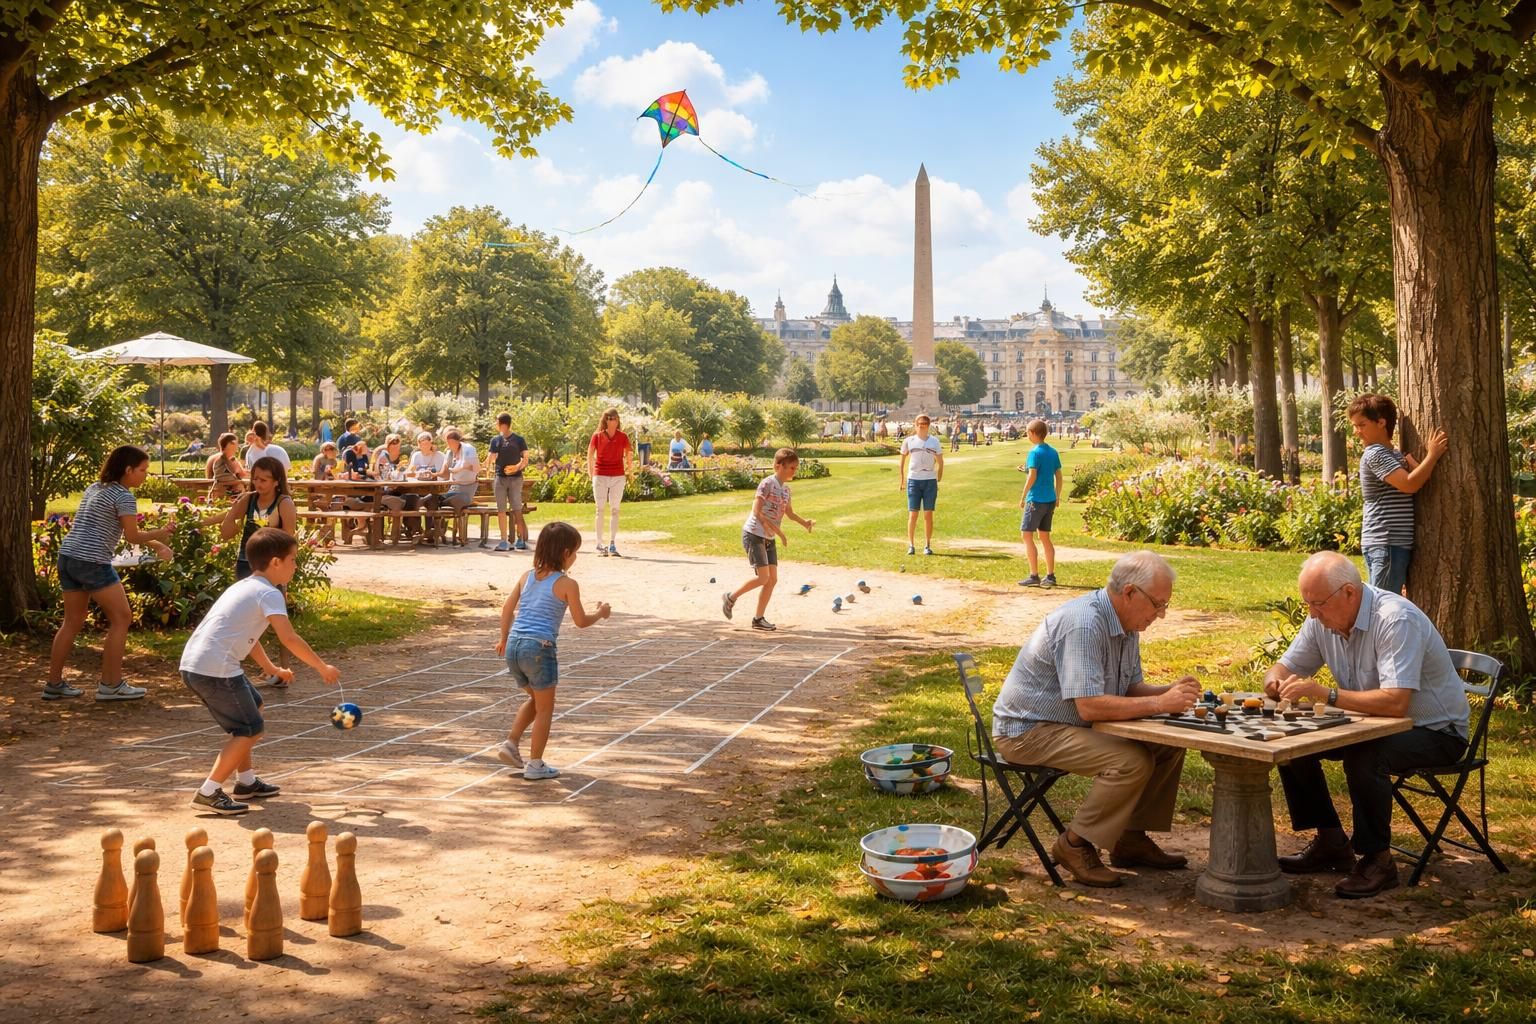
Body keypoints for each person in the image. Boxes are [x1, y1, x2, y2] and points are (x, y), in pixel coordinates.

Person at [1263, 551, 1470, 899]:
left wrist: (1326, 695)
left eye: (1318, 604)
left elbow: (1395, 703)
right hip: (1370, 723)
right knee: (1292, 742)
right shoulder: (1322, 618)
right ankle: (1331, 841)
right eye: (1307, 604)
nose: (1312, 613)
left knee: (1366, 754)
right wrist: (1275, 682)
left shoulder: (1395, 619)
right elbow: (1283, 667)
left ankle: (1378, 861)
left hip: (1436, 732)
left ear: (1349, 592)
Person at [991, 551, 1199, 888]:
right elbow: (1089, 707)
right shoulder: (1084, 624)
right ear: (1129, 592)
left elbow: (1129, 688)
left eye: (1165, 605)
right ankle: (1074, 845)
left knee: (1167, 745)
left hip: (1065, 724)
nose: (1160, 614)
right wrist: (1160, 703)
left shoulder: (1126, 624)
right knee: (1130, 761)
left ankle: (1129, 838)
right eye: (1158, 604)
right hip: (1028, 731)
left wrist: (1170, 692)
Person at [179, 528, 341, 814]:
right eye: (293, 559)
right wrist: (321, 666)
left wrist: (272, 668)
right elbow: (288, 638)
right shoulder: (269, 593)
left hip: (198, 664)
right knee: (249, 729)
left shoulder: (243, 587)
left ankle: (246, 782)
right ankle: (208, 791)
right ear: (276, 562)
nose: (295, 566)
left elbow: (248, 637)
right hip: (216, 669)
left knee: (254, 706)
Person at [43, 445, 176, 702]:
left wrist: (156, 544)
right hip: (92, 561)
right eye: (143, 470)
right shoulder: (124, 496)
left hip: (68, 556)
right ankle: (111, 685)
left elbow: (119, 530)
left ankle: (54, 684)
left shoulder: (95, 488)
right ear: (128, 470)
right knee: (122, 618)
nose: (146, 475)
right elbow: (132, 536)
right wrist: (163, 533)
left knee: (72, 622)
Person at [492, 521, 611, 781]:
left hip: (514, 646)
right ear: (566, 553)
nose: (576, 557)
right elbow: (580, 621)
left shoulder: (526, 576)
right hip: (539, 648)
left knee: (537, 701)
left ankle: (511, 743)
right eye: (575, 552)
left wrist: (503, 638)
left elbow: (507, 609)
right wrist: (601, 613)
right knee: (546, 708)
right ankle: (535, 764)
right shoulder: (567, 583)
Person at [1346, 394, 1448, 596]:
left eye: (1361, 425)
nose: (1356, 432)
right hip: (1386, 541)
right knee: (1382, 603)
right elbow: (1409, 484)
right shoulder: (1375, 453)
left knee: (1382, 601)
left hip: (1389, 543)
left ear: (1381, 422)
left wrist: (1410, 460)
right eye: (1355, 426)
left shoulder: (1390, 453)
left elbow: (1420, 479)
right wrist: (1432, 455)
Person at [219, 456, 298, 685]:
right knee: (246, 619)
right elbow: (226, 530)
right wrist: (232, 520)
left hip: (273, 568)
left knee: (278, 620)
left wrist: (282, 562)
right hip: (246, 563)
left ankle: (283, 667)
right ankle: (266, 669)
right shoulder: (248, 499)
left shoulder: (284, 503)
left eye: (264, 479)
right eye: (255, 478)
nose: (258, 484)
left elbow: (289, 538)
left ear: (276, 481)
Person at [721, 448, 816, 632]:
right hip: (754, 534)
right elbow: (756, 510)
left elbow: (789, 513)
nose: (794, 471)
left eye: (795, 467)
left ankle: (758, 619)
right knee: (763, 577)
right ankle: (730, 597)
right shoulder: (767, 484)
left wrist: (805, 523)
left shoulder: (786, 490)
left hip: (768, 537)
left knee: (772, 580)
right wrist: (775, 530)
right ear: (779, 466)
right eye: (791, 467)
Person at [1018, 418, 1064, 588]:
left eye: (1028, 433)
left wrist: (1023, 496)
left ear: (1033, 433)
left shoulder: (1034, 452)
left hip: (1036, 499)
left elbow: (1032, 476)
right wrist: (1057, 495)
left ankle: (1034, 575)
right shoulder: (1053, 452)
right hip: (1050, 498)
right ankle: (1050, 575)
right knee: (1045, 537)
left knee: (1026, 535)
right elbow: (1058, 475)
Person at [587, 408, 632, 558]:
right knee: (599, 509)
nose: (613, 421)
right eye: (610, 418)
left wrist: (630, 470)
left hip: (618, 475)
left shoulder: (623, 436)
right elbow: (590, 454)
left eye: (616, 418)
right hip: (600, 474)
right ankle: (599, 543)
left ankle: (612, 542)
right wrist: (590, 472)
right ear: (605, 420)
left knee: (615, 509)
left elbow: (628, 453)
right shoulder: (597, 436)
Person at [898, 413, 944, 556]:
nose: (922, 427)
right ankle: (911, 545)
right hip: (914, 480)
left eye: (924, 424)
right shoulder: (909, 441)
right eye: (919, 424)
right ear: (915, 425)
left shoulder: (934, 441)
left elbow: (940, 461)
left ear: (928, 426)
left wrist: (939, 476)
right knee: (913, 514)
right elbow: (902, 461)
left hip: (929, 480)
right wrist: (902, 479)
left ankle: (927, 545)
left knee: (928, 514)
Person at [489, 413, 530, 552]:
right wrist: (487, 462)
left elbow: (525, 459)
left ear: (503, 424)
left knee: (517, 509)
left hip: (516, 479)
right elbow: (491, 457)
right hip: (500, 478)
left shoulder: (519, 440)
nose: (495, 425)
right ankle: (503, 541)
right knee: (501, 510)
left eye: (497, 422)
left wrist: (516, 467)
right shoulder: (495, 440)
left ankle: (521, 539)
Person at [440, 428, 482, 542]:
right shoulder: (449, 453)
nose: (449, 445)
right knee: (437, 499)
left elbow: (476, 468)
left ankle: (457, 533)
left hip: (466, 487)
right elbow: (446, 471)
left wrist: (464, 467)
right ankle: (439, 530)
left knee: (458, 500)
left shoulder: (467, 450)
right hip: (455, 486)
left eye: (450, 442)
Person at [407, 430, 448, 544]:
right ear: (418, 444)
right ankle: (416, 529)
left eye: (427, 443)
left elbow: (443, 474)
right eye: (422, 444)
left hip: (435, 488)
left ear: (431, 443)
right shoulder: (416, 455)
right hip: (419, 487)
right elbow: (410, 471)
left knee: (431, 500)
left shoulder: (439, 456)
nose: (424, 446)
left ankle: (430, 531)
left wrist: (432, 474)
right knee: (411, 499)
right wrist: (415, 472)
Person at [205, 432, 247, 499]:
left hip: (216, 489)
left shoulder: (214, 459)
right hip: (232, 492)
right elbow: (242, 474)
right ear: (232, 443)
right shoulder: (231, 459)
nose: (238, 446)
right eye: (237, 443)